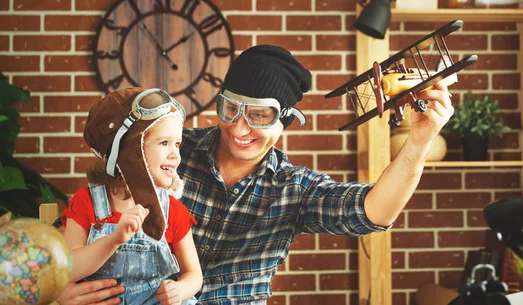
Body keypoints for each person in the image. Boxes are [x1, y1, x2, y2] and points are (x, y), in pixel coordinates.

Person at [56, 45, 454, 304]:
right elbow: (79, 227)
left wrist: (418, 142)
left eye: (260, 115)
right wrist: (60, 294)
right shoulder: (168, 152)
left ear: (284, 121)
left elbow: (372, 212)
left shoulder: (293, 188)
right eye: (231, 109)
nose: (240, 128)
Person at [60, 88, 203, 305]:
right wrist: (114, 240)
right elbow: (68, 270)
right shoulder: (86, 202)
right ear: (129, 150)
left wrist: (179, 290)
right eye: (164, 143)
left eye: (177, 144)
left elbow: (194, 275)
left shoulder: (172, 209)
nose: (176, 154)